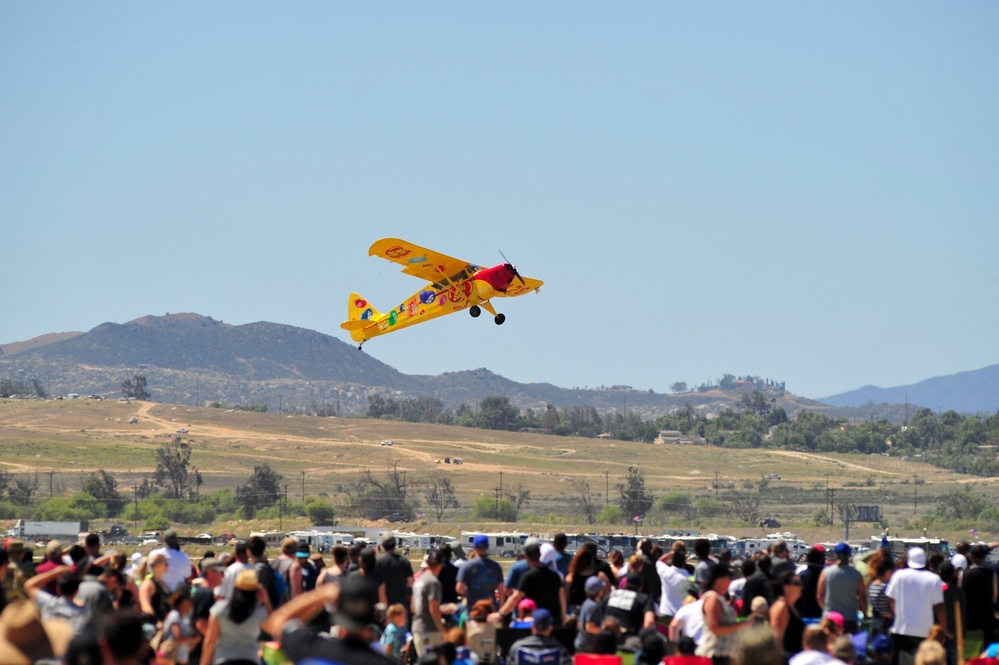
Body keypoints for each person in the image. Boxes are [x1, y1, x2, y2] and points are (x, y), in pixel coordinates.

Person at [262, 575, 393, 665]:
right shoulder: (382, 662)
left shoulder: (312, 648)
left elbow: (276, 623)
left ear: (336, 615)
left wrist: (323, 594)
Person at [885, 547, 946, 663]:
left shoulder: (898, 576)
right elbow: (940, 607)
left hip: (901, 630)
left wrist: (898, 613)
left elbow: (891, 598)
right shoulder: (934, 579)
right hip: (925, 632)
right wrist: (943, 629)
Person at [200, 569, 270, 665]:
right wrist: (266, 600)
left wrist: (204, 663)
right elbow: (273, 627)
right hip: (250, 660)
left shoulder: (220, 608)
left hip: (224, 659)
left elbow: (210, 640)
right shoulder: (258, 612)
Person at [697, 565, 756, 664]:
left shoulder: (719, 598)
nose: (730, 582)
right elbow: (715, 627)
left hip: (725, 655)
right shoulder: (713, 599)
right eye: (729, 578)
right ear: (720, 579)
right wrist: (743, 625)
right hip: (715, 655)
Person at [496, 542, 565, 627]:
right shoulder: (554, 574)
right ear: (540, 555)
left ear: (526, 557)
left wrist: (500, 613)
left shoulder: (528, 576)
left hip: (537, 621)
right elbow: (562, 595)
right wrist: (563, 616)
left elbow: (516, 597)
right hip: (554, 620)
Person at [817, 543, 865, 635]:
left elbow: (819, 595)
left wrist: (826, 610)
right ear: (849, 555)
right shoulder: (856, 574)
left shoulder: (826, 572)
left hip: (829, 619)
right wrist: (865, 615)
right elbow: (862, 598)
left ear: (835, 555)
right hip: (849, 619)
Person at [189, 557, 226, 665]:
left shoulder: (205, 592)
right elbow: (201, 623)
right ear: (210, 573)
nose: (223, 576)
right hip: (200, 652)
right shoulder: (205, 593)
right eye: (220, 572)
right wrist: (219, 642)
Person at [412, 549, 447, 656]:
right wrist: (443, 632)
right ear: (441, 565)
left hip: (417, 627)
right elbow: (433, 610)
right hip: (429, 630)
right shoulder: (433, 582)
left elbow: (413, 607)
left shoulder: (419, 580)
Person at [456, 536, 505, 610]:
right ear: (487, 547)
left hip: (472, 610)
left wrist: (470, 592)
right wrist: (501, 612)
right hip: (490, 610)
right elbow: (501, 590)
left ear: (474, 547)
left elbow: (459, 588)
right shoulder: (495, 566)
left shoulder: (467, 566)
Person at [603, 571, 657, 638]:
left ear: (625, 583)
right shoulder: (644, 599)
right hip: (628, 640)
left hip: (605, 636)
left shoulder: (610, 595)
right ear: (641, 586)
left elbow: (597, 614)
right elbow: (650, 621)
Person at [962, 544, 997, 646]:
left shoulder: (964, 574)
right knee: (987, 647)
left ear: (971, 557)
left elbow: (961, 593)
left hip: (970, 614)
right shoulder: (992, 574)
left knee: (972, 649)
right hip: (987, 613)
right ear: (985, 557)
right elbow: (995, 594)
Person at [770, 570, 804, 662]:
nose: (801, 586)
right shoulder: (781, 606)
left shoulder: (791, 606)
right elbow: (776, 638)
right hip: (786, 658)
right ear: (785, 586)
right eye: (796, 583)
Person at [161, 587, 200, 665]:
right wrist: (193, 639)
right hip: (172, 659)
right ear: (182, 601)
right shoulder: (174, 615)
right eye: (189, 600)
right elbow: (178, 638)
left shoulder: (183, 618)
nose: (191, 603)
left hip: (181, 660)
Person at [378, 536, 416, 613]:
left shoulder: (379, 562)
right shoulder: (404, 561)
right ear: (395, 545)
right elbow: (412, 583)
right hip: (401, 604)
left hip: (384, 604)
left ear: (382, 545)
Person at [865, 550, 895, 638]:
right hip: (886, 624)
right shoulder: (887, 587)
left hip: (875, 623)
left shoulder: (872, 584)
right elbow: (890, 609)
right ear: (888, 571)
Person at [574, 576, 607, 653]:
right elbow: (589, 627)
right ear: (600, 591)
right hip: (588, 647)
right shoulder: (594, 606)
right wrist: (604, 632)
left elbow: (579, 624)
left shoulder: (586, 602)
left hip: (581, 642)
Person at [658, 550, 692, 624]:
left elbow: (659, 562)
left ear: (672, 562)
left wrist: (671, 553)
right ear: (684, 564)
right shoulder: (689, 579)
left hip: (665, 614)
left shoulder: (665, 572)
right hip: (681, 617)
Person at [139, 551, 172, 626]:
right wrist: (157, 621)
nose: (168, 566)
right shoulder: (148, 584)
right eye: (166, 564)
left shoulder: (163, 583)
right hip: (155, 625)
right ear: (157, 565)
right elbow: (145, 606)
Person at [796, 547, 825, 623]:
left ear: (807, 559)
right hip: (821, 617)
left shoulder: (801, 575)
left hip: (803, 616)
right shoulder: (826, 576)